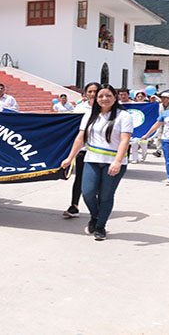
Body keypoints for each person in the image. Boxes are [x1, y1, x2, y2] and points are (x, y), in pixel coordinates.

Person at [61, 84, 133, 240]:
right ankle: (95, 216)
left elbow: (124, 140)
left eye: (108, 96)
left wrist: (117, 161)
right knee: (87, 192)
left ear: (115, 97)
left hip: (113, 162)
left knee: (106, 196)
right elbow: (81, 138)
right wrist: (70, 157)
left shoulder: (124, 116)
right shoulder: (89, 115)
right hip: (92, 159)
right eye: (100, 96)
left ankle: (101, 226)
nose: (104, 99)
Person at [63, 82, 99, 218]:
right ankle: (74, 206)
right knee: (79, 178)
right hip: (83, 149)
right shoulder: (79, 108)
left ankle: (98, 209)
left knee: (99, 181)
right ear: (85, 94)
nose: (92, 94)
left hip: (101, 151)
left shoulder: (105, 108)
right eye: (90, 91)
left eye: (95, 91)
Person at [152, 92, 169, 157]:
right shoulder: (159, 105)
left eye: (164, 97)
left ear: (168, 98)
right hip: (160, 122)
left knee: (168, 136)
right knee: (159, 136)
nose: (162, 99)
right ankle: (159, 150)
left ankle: (167, 149)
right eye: (162, 97)